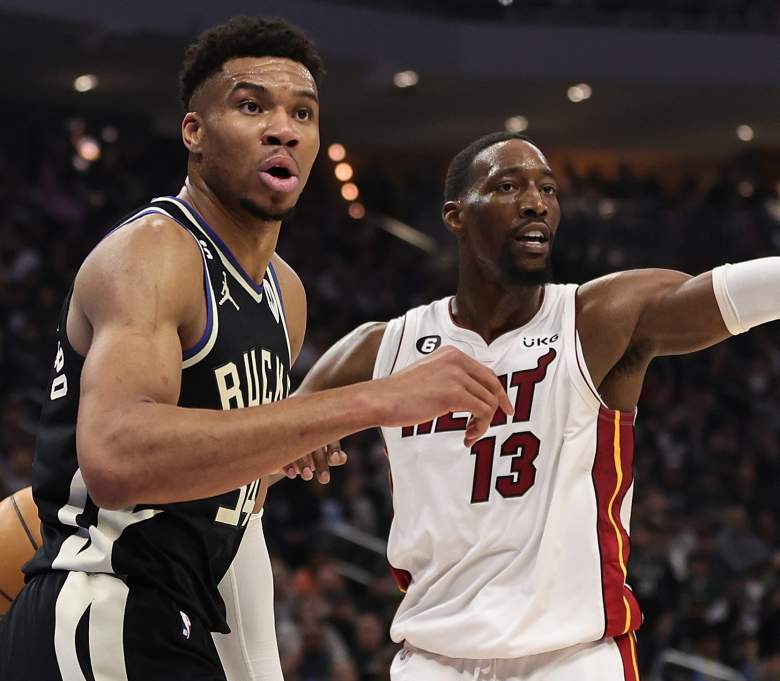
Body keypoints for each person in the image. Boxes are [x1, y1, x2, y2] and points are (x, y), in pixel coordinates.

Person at [0, 19, 512, 681]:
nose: (283, 128)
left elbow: (216, 482)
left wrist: (280, 448)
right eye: (252, 106)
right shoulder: (153, 252)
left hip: (180, 611)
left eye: (302, 112)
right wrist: (375, 399)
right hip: (105, 605)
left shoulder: (284, 292)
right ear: (195, 133)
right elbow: (117, 457)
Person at [294, 131, 780, 680]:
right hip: (431, 659)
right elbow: (271, 440)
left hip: (571, 659)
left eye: (547, 189)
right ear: (455, 217)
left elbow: (715, 298)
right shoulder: (384, 347)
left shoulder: (596, 317)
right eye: (507, 186)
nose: (535, 202)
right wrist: (308, 431)